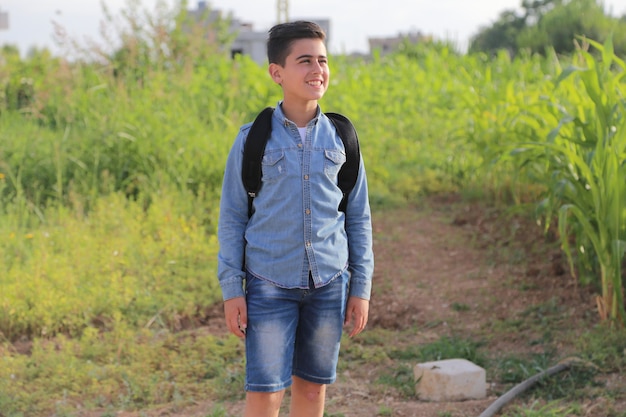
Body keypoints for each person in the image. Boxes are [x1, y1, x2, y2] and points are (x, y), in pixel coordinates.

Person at [217, 20, 374, 417]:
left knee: (312, 393)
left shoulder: (343, 139)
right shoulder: (252, 139)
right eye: (304, 60)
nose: (316, 70)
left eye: (322, 60)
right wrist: (232, 289)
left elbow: (357, 217)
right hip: (269, 283)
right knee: (265, 395)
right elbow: (233, 217)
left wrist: (361, 288)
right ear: (277, 72)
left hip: (329, 282)